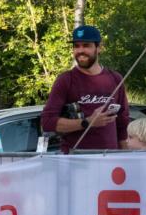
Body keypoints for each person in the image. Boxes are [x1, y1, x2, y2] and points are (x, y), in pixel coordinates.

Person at [41, 25, 130, 153]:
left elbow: (123, 124)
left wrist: (125, 158)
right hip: (76, 162)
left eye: (86, 45)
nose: (80, 50)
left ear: (99, 48)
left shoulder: (115, 79)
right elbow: (47, 122)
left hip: (110, 161)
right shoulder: (65, 80)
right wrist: (87, 122)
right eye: (76, 46)